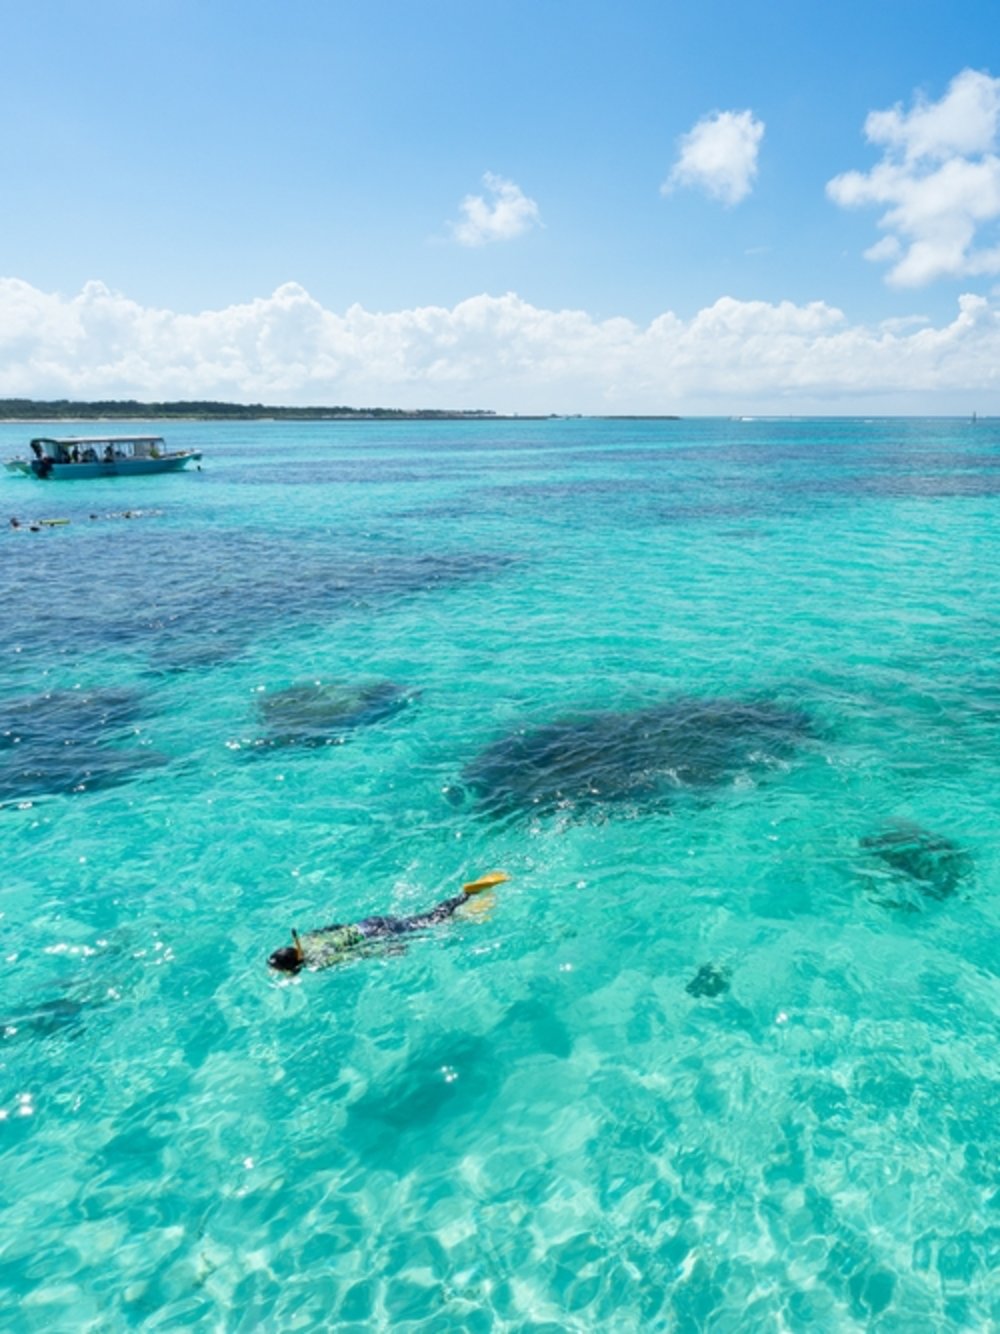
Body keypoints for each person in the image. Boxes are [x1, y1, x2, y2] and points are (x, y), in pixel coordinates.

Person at [268, 871, 508, 973]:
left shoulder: (318, 961)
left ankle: (466, 895)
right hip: (367, 923)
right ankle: (464, 901)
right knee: (420, 919)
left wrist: (386, 951)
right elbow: (336, 928)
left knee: (433, 922)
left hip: (379, 933)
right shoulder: (308, 939)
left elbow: (357, 955)